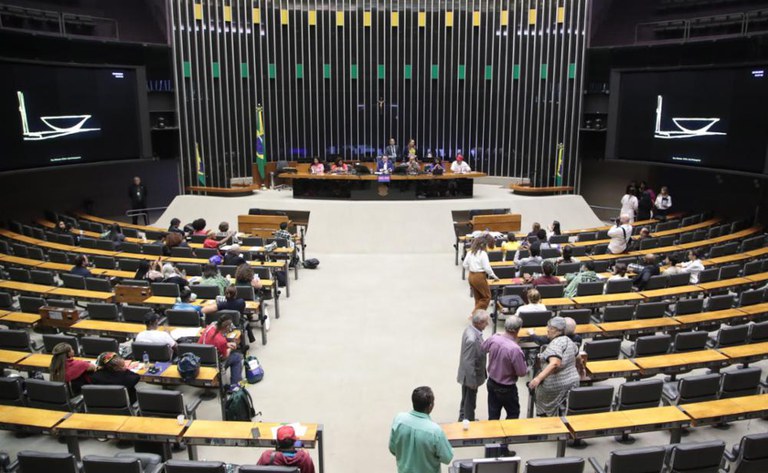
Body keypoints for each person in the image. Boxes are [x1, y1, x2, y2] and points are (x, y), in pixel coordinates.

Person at [389, 386, 453, 473]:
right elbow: (447, 458)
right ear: (430, 406)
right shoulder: (435, 431)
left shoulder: (399, 420)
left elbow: (392, 449)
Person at [528, 317, 581, 417]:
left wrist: (538, 379)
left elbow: (555, 363)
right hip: (572, 382)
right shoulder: (569, 341)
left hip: (554, 386)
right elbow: (578, 358)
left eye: (551, 328)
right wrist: (581, 371)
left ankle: (546, 420)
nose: (548, 330)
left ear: (558, 331)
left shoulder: (555, 344)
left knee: (544, 405)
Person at [482, 316, 528, 420]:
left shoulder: (494, 338)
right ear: (518, 329)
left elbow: (483, 347)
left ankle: (494, 435)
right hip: (506, 388)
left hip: (492, 382)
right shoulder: (515, 349)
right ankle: (508, 435)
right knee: (513, 413)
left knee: (493, 413)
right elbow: (522, 372)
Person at [456, 309, 489, 422]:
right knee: (470, 401)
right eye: (485, 322)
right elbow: (469, 362)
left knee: (466, 398)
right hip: (471, 376)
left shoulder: (470, 330)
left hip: (467, 375)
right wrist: (472, 382)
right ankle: (468, 422)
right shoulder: (472, 339)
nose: (487, 324)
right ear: (478, 323)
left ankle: (462, 418)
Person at [199, 313, 243, 387]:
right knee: (237, 357)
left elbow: (210, 341)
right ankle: (235, 385)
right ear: (227, 327)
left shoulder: (209, 327)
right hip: (214, 365)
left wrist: (226, 345)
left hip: (201, 360)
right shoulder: (221, 340)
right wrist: (229, 349)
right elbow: (224, 357)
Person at [463, 234, 499, 312]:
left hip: (471, 276)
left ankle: (478, 317)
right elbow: (487, 268)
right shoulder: (483, 254)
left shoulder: (470, 252)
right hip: (479, 276)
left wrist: (472, 268)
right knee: (486, 297)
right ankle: (474, 315)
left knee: (478, 298)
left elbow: (464, 265)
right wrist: (494, 276)